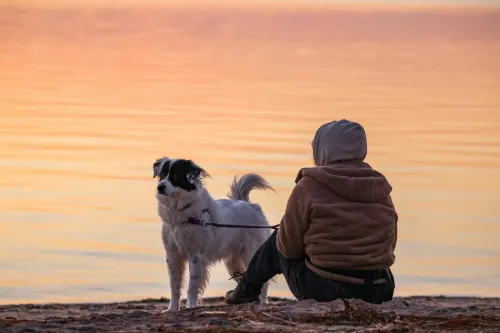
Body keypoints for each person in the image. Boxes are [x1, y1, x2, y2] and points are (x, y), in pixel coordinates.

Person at [224, 119, 397, 305]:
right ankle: (247, 289)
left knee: (278, 239)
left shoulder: (310, 185)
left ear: (323, 150)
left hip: (323, 288)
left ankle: (246, 291)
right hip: (379, 288)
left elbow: (289, 248)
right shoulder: (379, 185)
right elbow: (389, 241)